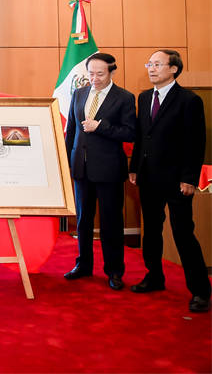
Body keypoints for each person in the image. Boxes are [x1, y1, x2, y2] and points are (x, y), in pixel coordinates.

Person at [129, 50, 210, 313]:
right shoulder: (144, 97)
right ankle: (154, 277)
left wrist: (189, 178)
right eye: (149, 64)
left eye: (157, 64)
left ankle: (200, 291)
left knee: (183, 233)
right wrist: (134, 168)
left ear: (174, 69)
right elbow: (141, 137)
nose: (151, 69)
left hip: (177, 181)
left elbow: (195, 143)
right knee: (151, 232)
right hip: (148, 178)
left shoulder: (189, 100)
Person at [63, 52, 136, 291]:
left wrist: (101, 126)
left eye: (100, 74)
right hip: (81, 168)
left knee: (111, 223)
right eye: (91, 73)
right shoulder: (79, 93)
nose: (94, 78)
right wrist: (66, 162)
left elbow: (129, 133)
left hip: (109, 170)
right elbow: (71, 131)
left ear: (112, 72)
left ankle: (114, 271)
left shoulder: (124, 97)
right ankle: (83, 265)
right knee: (83, 220)